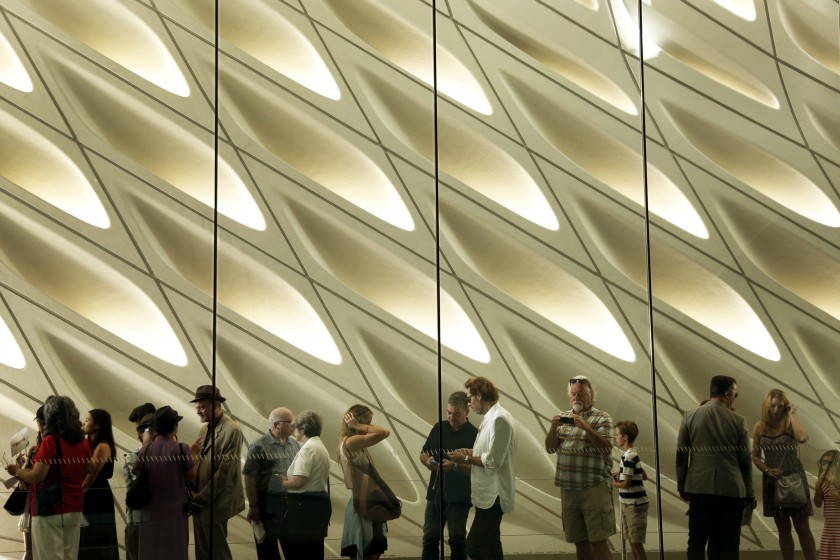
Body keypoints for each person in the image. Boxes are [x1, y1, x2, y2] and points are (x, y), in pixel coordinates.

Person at [5, 396, 93, 560]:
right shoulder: (82, 441)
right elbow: (89, 468)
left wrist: (17, 470)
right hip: (74, 507)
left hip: (49, 509)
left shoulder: (51, 441)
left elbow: (37, 476)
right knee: (69, 556)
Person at [676, 375, 753, 560]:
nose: (734, 398)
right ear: (727, 394)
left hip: (699, 488)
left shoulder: (689, 416)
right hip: (732, 490)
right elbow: (745, 460)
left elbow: (681, 455)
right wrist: (749, 492)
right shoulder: (738, 420)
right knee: (728, 546)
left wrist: (683, 485)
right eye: (735, 394)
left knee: (696, 542)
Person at [544, 375, 615, 560]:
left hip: (594, 488)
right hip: (569, 490)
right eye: (574, 394)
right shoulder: (564, 418)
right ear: (570, 397)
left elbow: (606, 447)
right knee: (579, 541)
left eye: (582, 394)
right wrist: (553, 428)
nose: (577, 398)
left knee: (598, 540)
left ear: (591, 395)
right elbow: (550, 448)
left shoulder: (602, 417)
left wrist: (585, 427)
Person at [448, 376, 516, 560]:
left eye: (469, 399)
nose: (469, 404)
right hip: (488, 493)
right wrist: (470, 451)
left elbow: (493, 461)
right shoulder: (490, 418)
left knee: (474, 546)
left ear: (479, 395)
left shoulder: (499, 420)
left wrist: (466, 458)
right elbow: (488, 451)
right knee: (492, 545)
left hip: (495, 494)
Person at [752, 389, 816, 560]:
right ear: (767, 405)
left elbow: (802, 438)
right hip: (773, 480)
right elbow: (755, 457)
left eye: (780, 406)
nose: (776, 410)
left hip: (795, 477)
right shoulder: (759, 426)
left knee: (802, 527)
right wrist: (766, 469)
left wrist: (792, 415)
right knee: (783, 529)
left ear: (785, 407)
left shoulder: (789, 423)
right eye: (773, 405)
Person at [419, 391, 478, 560]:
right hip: (435, 493)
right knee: (429, 538)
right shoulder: (439, 427)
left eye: (456, 414)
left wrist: (454, 467)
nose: (452, 417)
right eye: (449, 413)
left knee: (457, 540)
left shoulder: (474, 434)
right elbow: (423, 453)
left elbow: (477, 468)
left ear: (467, 412)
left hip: (460, 496)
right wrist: (428, 461)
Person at [189, 385, 246, 560]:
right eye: (197, 407)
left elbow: (225, 472)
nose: (198, 411)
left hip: (216, 501)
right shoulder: (205, 429)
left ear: (216, 405)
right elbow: (201, 461)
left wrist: (201, 496)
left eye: (202, 407)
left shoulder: (232, 430)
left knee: (217, 551)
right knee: (203, 551)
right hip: (201, 500)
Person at [138, 406, 196, 560]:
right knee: (174, 548)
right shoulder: (182, 449)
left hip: (150, 508)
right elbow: (192, 477)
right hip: (175, 510)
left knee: (151, 547)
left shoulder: (146, 449)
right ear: (174, 427)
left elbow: (136, 471)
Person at [243, 407, 300, 559]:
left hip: (290, 504)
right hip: (267, 504)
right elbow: (249, 478)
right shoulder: (258, 446)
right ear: (276, 425)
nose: (294, 426)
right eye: (290, 423)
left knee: (293, 550)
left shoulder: (295, 445)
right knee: (268, 552)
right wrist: (253, 506)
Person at [338, 404, 391, 560]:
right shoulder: (351, 442)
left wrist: (360, 425)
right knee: (366, 548)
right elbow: (384, 432)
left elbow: (383, 432)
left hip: (368, 500)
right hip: (362, 502)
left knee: (374, 549)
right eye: (368, 422)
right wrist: (359, 425)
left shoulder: (357, 442)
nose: (369, 426)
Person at [280, 410, 332, 559]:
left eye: (295, 428)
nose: (293, 432)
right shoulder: (320, 446)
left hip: (303, 508)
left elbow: (298, 481)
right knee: (314, 552)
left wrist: (283, 483)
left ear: (302, 429)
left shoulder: (307, 449)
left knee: (297, 552)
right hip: (318, 504)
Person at [79, 409, 119, 560]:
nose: (84, 422)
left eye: (88, 420)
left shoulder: (103, 446)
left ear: (97, 425)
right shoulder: (88, 443)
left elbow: (91, 476)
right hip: (91, 494)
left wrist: (77, 494)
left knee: (96, 537)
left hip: (96, 496)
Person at [123, 403, 155, 560]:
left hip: (139, 521)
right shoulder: (175, 452)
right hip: (143, 520)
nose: (139, 434)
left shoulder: (135, 457)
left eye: (142, 429)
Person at [612, 420, 648, 560]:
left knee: (636, 543)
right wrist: (621, 473)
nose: (616, 437)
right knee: (633, 542)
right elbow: (644, 475)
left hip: (634, 504)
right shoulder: (632, 454)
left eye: (617, 435)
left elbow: (626, 484)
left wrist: (613, 483)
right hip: (630, 503)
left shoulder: (628, 457)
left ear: (625, 437)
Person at [814, 450, 839, 560]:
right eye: (823, 462)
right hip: (829, 530)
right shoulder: (822, 482)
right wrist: (818, 488)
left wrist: (832, 485)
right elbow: (818, 503)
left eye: (830, 464)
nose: (826, 466)